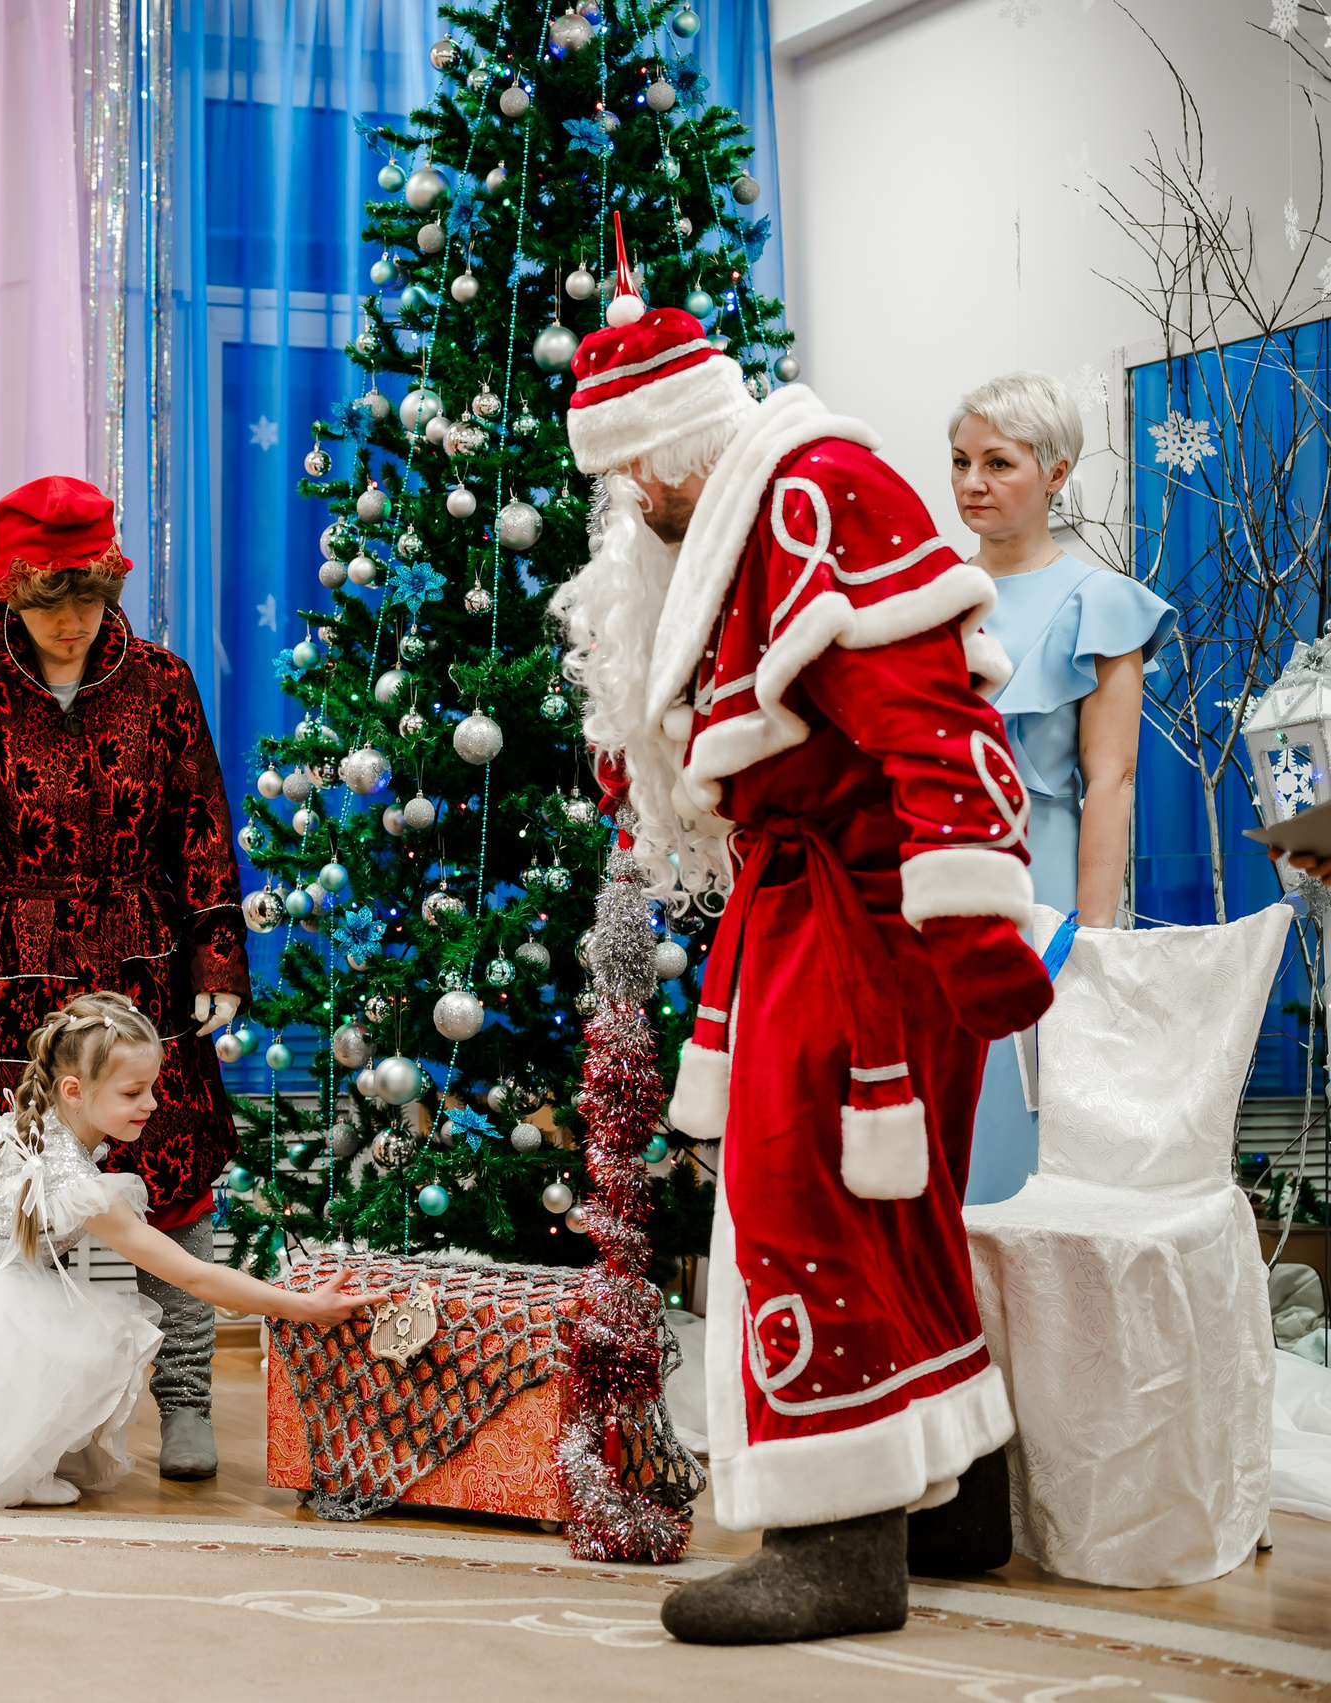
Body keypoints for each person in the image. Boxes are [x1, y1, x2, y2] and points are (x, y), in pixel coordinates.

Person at [551, 304, 1054, 1643]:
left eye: (648, 463)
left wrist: (974, 926)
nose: (639, 494)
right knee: (896, 1215)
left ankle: (837, 1544)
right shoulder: (724, 524)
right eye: (624, 473)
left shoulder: (820, 492)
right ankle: (951, 1494)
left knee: (801, 1204)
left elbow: (935, 712)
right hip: (810, 904)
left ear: (691, 436)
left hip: (867, 926)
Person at [0, 475, 249, 1482]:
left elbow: (200, 828)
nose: (66, 624)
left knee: (174, 1191)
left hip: (143, 967)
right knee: (16, 1201)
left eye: (84, 601)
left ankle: (184, 1396)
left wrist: (217, 952)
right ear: (11, 594)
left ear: (109, 589)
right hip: (10, 978)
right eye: (46, 602)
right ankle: (18, 1415)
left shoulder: (165, 686)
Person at [0, 992, 381, 1512]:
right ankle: (13, 1471)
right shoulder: (74, 1181)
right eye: (133, 1092)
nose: (151, 1104)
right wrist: (299, 1305)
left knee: (62, 1314)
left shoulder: (26, 1123)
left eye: (152, 1087)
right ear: (75, 1090)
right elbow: (194, 1278)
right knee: (104, 1331)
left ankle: (6, 1457)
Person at [948, 372, 1175, 1207]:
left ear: (1056, 472)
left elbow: (1110, 779)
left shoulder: (1100, 602)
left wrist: (1096, 937)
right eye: (961, 460)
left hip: (1038, 876)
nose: (973, 482)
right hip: (925, 871)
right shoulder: (928, 594)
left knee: (1022, 1106)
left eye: (998, 463)